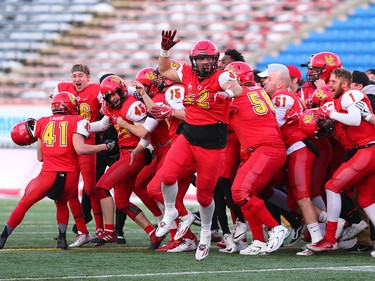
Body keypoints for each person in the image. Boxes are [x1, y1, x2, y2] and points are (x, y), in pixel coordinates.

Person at [154, 30, 243, 261]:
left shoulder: (222, 76)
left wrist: (227, 94)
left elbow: (237, 88)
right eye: (201, 59)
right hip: (189, 136)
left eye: (208, 59)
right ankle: (172, 209)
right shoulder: (186, 72)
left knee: (204, 197)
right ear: (194, 60)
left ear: (215, 61)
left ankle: (204, 232)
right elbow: (164, 69)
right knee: (166, 176)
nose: (204, 63)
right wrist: (164, 51)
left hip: (212, 145)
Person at [0, 91, 115, 249]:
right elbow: (80, 149)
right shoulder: (77, 120)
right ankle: (62, 238)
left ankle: (3, 236)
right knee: (62, 203)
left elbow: (40, 157)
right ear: (70, 106)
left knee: (24, 203)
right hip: (69, 175)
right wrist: (105, 146)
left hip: (47, 174)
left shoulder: (42, 122)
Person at [88, 75, 165, 250]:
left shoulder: (133, 106)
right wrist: (80, 125)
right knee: (122, 203)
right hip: (125, 154)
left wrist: (137, 145)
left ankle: (109, 231)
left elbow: (145, 133)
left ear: (122, 89)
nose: (113, 98)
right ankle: (153, 233)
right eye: (109, 96)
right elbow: (102, 125)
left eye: (115, 94)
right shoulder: (110, 107)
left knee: (101, 187)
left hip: (133, 154)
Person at [306, 68, 375, 258]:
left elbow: (354, 120)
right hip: (367, 149)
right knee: (366, 201)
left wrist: (333, 114)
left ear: (344, 84)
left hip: (368, 149)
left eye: (333, 82)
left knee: (332, 186)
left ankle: (329, 239)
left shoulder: (350, 94)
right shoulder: (341, 100)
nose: (330, 85)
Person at [225, 61, 288, 255]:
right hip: (264, 148)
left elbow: (208, 118)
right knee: (247, 194)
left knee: (240, 192)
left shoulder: (236, 97)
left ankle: (275, 228)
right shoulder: (257, 91)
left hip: (265, 149)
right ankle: (259, 240)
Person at [264, 68, 325, 256]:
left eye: (269, 78)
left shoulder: (280, 96)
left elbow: (276, 125)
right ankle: (332, 223)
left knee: (302, 195)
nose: (265, 81)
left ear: (280, 84)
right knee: (293, 198)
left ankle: (318, 240)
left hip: (298, 146)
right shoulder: (287, 96)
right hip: (297, 147)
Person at [54, 64, 104, 239]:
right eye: (74, 76)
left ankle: (100, 229)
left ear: (88, 77)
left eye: (80, 76)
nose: (77, 79)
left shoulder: (97, 90)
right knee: (69, 190)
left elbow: (108, 112)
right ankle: (83, 231)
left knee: (90, 188)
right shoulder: (62, 88)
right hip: (68, 144)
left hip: (87, 141)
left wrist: (92, 126)